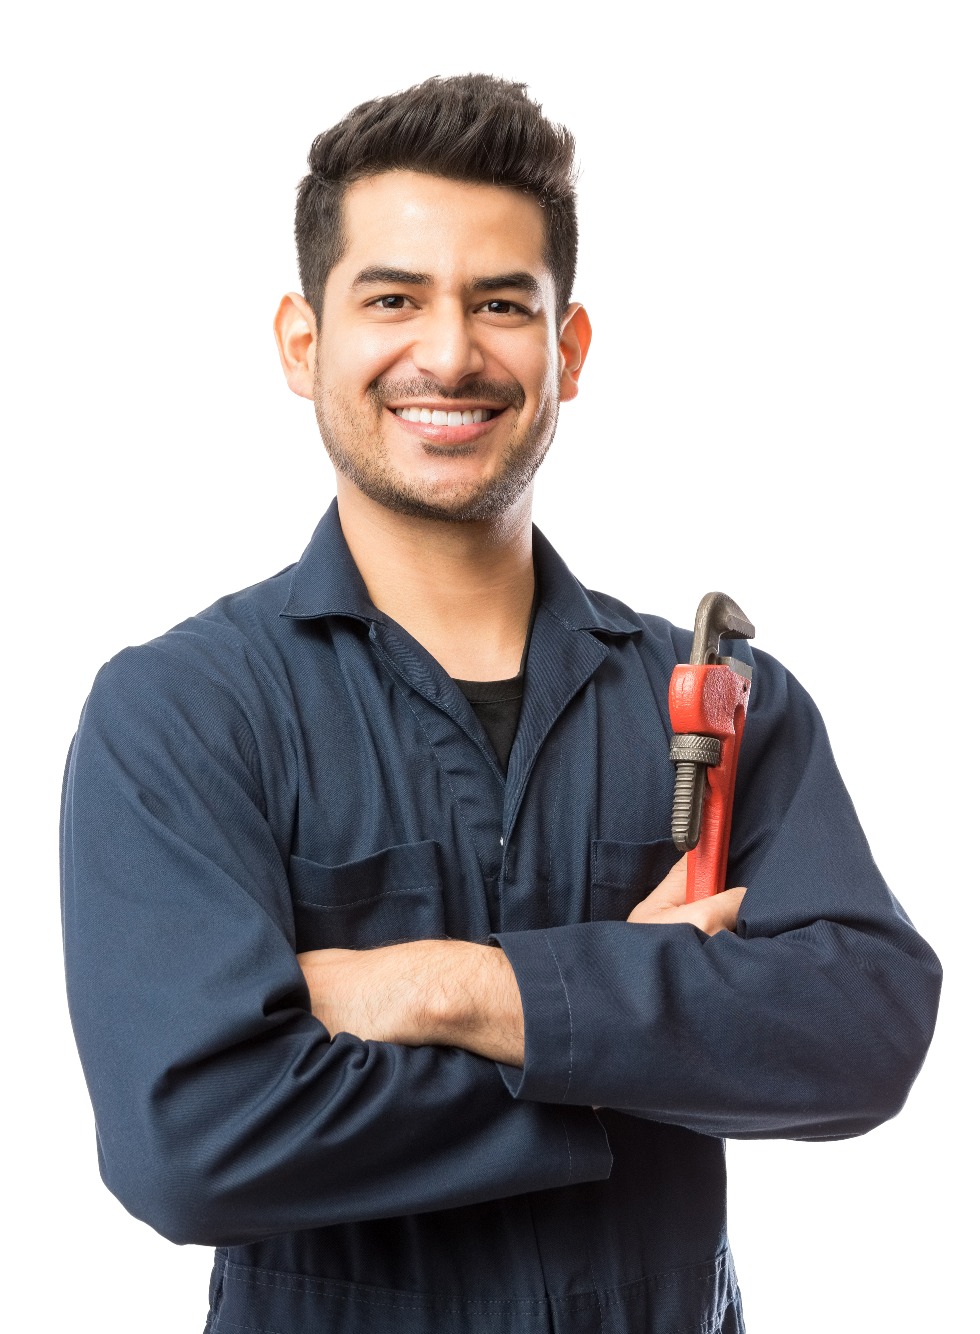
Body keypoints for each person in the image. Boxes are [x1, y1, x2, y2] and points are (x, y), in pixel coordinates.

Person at [60, 74, 941, 1334]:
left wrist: (445, 989)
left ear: (566, 350)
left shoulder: (716, 701)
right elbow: (192, 1140)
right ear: (303, 344)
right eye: (392, 299)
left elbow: (862, 1030)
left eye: (499, 304)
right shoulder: (184, 712)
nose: (449, 353)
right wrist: (632, 1030)